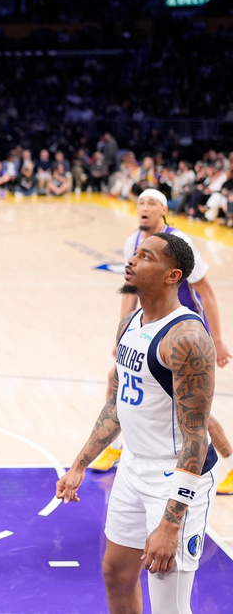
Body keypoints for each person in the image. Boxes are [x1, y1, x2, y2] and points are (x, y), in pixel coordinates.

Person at [56, 232, 218, 614]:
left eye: (145, 256)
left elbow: (197, 438)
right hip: (132, 466)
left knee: (169, 606)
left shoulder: (187, 337)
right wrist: (80, 463)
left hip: (175, 476)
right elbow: (117, 402)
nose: (131, 260)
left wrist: (170, 524)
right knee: (116, 573)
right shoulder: (131, 322)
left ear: (171, 275)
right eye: (134, 253)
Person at [90, 189, 233, 495]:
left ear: (164, 209)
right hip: (150, 327)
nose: (144, 207)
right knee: (117, 377)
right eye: (141, 202)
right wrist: (123, 331)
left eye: (151, 202)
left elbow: (206, 291)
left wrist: (218, 340)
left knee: (191, 410)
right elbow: (131, 289)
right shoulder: (133, 242)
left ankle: (230, 461)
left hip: (183, 329)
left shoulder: (180, 243)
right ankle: (115, 447)